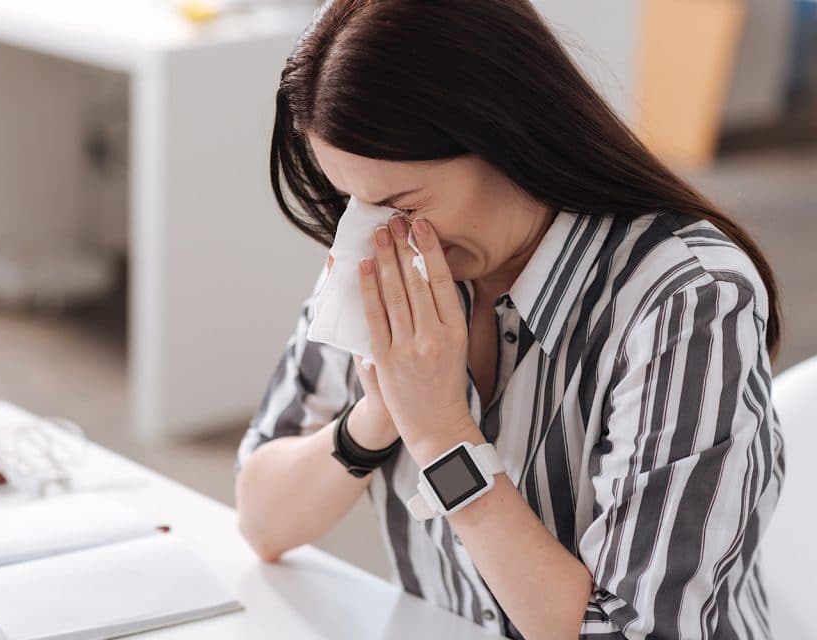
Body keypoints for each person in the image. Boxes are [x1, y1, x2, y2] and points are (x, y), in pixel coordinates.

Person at [234, 1, 785, 638]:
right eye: (351, 199)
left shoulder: (687, 300)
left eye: (399, 201)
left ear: (507, 135)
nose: (371, 231)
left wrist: (442, 435)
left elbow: (631, 632)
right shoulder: (396, 252)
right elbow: (261, 520)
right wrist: (381, 414)